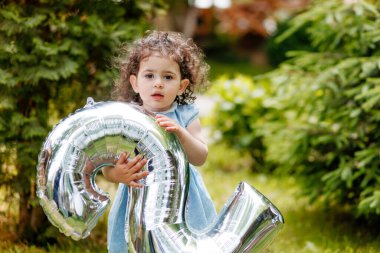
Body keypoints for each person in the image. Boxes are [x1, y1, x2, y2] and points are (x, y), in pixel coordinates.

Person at [102, 30, 217, 253]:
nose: (158, 84)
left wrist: (182, 135)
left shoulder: (185, 114)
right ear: (134, 83)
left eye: (168, 77)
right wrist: (117, 175)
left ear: (182, 86)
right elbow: (108, 166)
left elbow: (201, 157)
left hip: (182, 197)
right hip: (138, 195)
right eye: (149, 76)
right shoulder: (126, 119)